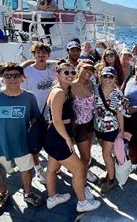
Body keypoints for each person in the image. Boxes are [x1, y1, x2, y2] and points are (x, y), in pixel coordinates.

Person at [0, 62, 43, 214]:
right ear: (2, 78)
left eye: (16, 75)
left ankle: (28, 193)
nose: (12, 79)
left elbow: (35, 118)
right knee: (1, 171)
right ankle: (2, 194)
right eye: (8, 76)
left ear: (22, 78)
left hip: (23, 143)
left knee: (26, 170)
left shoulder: (29, 97)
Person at [43, 62, 101, 212]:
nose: (70, 75)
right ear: (58, 74)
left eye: (72, 73)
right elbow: (56, 120)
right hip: (59, 139)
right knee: (80, 169)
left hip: (54, 138)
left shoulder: (63, 90)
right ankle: (83, 203)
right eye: (66, 72)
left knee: (52, 168)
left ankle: (52, 198)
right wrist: (68, 139)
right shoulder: (59, 93)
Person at [21, 42, 55, 184]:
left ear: (48, 55)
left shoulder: (52, 71)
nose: (41, 56)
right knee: (34, 144)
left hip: (49, 113)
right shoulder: (27, 72)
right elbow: (22, 93)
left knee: (50, 141)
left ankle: (53, 166)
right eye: (38, 53)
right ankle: (37, 167)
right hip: (33, 114)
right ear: (34, 54)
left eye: (44, 53)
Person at [94, 67, 125, 192]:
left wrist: (121, 130)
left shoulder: (117, 93)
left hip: (111, 128)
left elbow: (119, 113)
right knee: (106, 153)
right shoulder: (96, 89)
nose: (107, 79)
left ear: (114, 79)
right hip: (98, 126)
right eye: (105, 76)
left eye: (110, 76)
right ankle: (109, 172)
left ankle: (111, 180)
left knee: (106, 153)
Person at [72, 61, 98, 183]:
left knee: (87, 152)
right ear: (78, 69)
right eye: (85, 68)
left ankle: (84, 171)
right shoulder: (71, 86)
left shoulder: (91, 84)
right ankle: (82, 178)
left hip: (90, 123)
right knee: (86, 156)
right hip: (79, 127)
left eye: (91, 69)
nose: (88, 71)